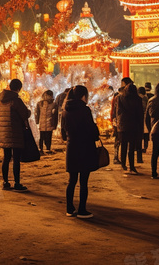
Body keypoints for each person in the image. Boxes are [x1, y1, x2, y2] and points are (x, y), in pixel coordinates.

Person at [61, 85, 100, 218]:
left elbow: (62, 133)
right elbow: (92, 131)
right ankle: (82, 210)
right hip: (85, 147)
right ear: (83, 96)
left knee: (72, 180)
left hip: (72, 147)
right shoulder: (85, 110)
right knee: (84, 181)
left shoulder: (65, 110)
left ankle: (69, 209)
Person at [0, 79, 31, 191]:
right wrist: (29, 112)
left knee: (6, 157)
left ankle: (5, 182)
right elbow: (25, 114)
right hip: (16, 132)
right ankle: (17, 183)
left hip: (3, 132)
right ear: (19, 88)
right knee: (16, 159)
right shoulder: (16, 100)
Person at [117, 84, 144, 174]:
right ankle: (131, 166)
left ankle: (123, 164)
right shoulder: (138, 99)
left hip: (123, 125)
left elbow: (118, 112)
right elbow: (140, 114)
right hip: (133, 125)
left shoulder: (120, 98)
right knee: (131, 147)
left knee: (123, 145)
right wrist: (141, 126)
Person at [110, 77, 133, 164]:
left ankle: (119, 158)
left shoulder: (125, 96)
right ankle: (116, 157)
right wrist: (114, 120)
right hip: (120, 121)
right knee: (119, 140)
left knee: (121, 141)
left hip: (121, 121)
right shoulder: (118, 96)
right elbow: (114, 110)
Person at [35, 90, 56, 154]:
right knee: (41, 137)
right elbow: (37, 113)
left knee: (48, 137)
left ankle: (48, 148)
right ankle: (41, 149)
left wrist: (55, 124)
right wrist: (37, 121)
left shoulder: (54, 104)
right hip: (42, 123)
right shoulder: (40, 104)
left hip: (50, 123)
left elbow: (55, 115)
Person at [137, 86, 150, 160]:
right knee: (146, 134)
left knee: (140, 133)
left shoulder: (137, 98)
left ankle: (139, 147)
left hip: (140, 117)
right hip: (145, 116)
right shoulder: (146, 98)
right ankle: (145, 146)